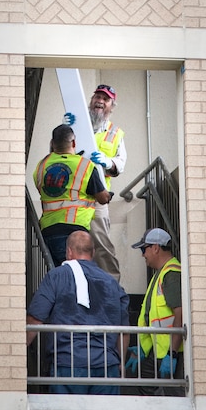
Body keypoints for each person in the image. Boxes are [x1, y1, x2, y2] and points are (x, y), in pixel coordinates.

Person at [27, 230, 130, 394]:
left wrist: (16, 353)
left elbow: (35, 319)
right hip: (106, 365)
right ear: (93, 252)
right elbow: (124, 332)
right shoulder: (112, 282)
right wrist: (120, 363)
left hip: (68, 363)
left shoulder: (56, 276)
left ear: (68, 251)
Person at [64, 84, 126, 281]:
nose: (100, 100)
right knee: (71, 246)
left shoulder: (116, 133)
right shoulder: (76, 125)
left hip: (97, 199)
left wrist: (108, 162)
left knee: (102, 246)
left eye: (105, 99)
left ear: (111, 106)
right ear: (90, 101)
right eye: (97, 97)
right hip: (73, 196)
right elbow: (58, 149)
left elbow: (120, 164)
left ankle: (112, 288)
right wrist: (65, 127)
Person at [33, 123, 111, 266]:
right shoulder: (84, 166)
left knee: (58, 276)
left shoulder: (41, 166)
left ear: (52, 143)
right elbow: (103, 198)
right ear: (73, 142)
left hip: (48, 231)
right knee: (76, 277)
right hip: (75, 232)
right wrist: (108, 194)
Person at [126, 228, 185, 396]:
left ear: (156, 248)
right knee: (147, 386)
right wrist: (141, 349)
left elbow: (179, 314)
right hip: (159, 351)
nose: (143, 254)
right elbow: (152, 317)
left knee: (171, 395)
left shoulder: (171, 274)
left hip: (170, 353)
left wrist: (171, 354)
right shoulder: (161, 273)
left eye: (144, 249)